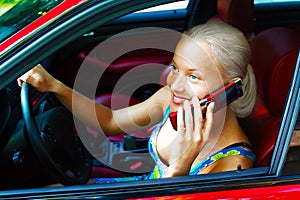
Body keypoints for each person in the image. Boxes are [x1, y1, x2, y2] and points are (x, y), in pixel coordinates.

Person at [18, 22, 257, 184]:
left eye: (194, 77)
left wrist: (180, 164)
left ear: (230, 88)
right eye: (175, 68)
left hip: (156, 194)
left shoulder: (233, 165)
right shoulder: (170, 101)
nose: (175, 85)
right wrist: (54, 85)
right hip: (142, 185)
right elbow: (110, 121)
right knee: (51, 191)